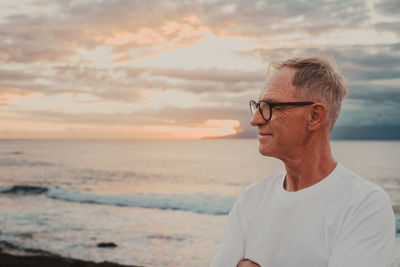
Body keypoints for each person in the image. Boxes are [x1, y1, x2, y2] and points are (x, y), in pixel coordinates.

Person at [210, 56, 395, 267]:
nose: (256, 120)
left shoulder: (364, 205)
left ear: (315, 116)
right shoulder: (251, 199)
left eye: (271, 106)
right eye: (258, 106)